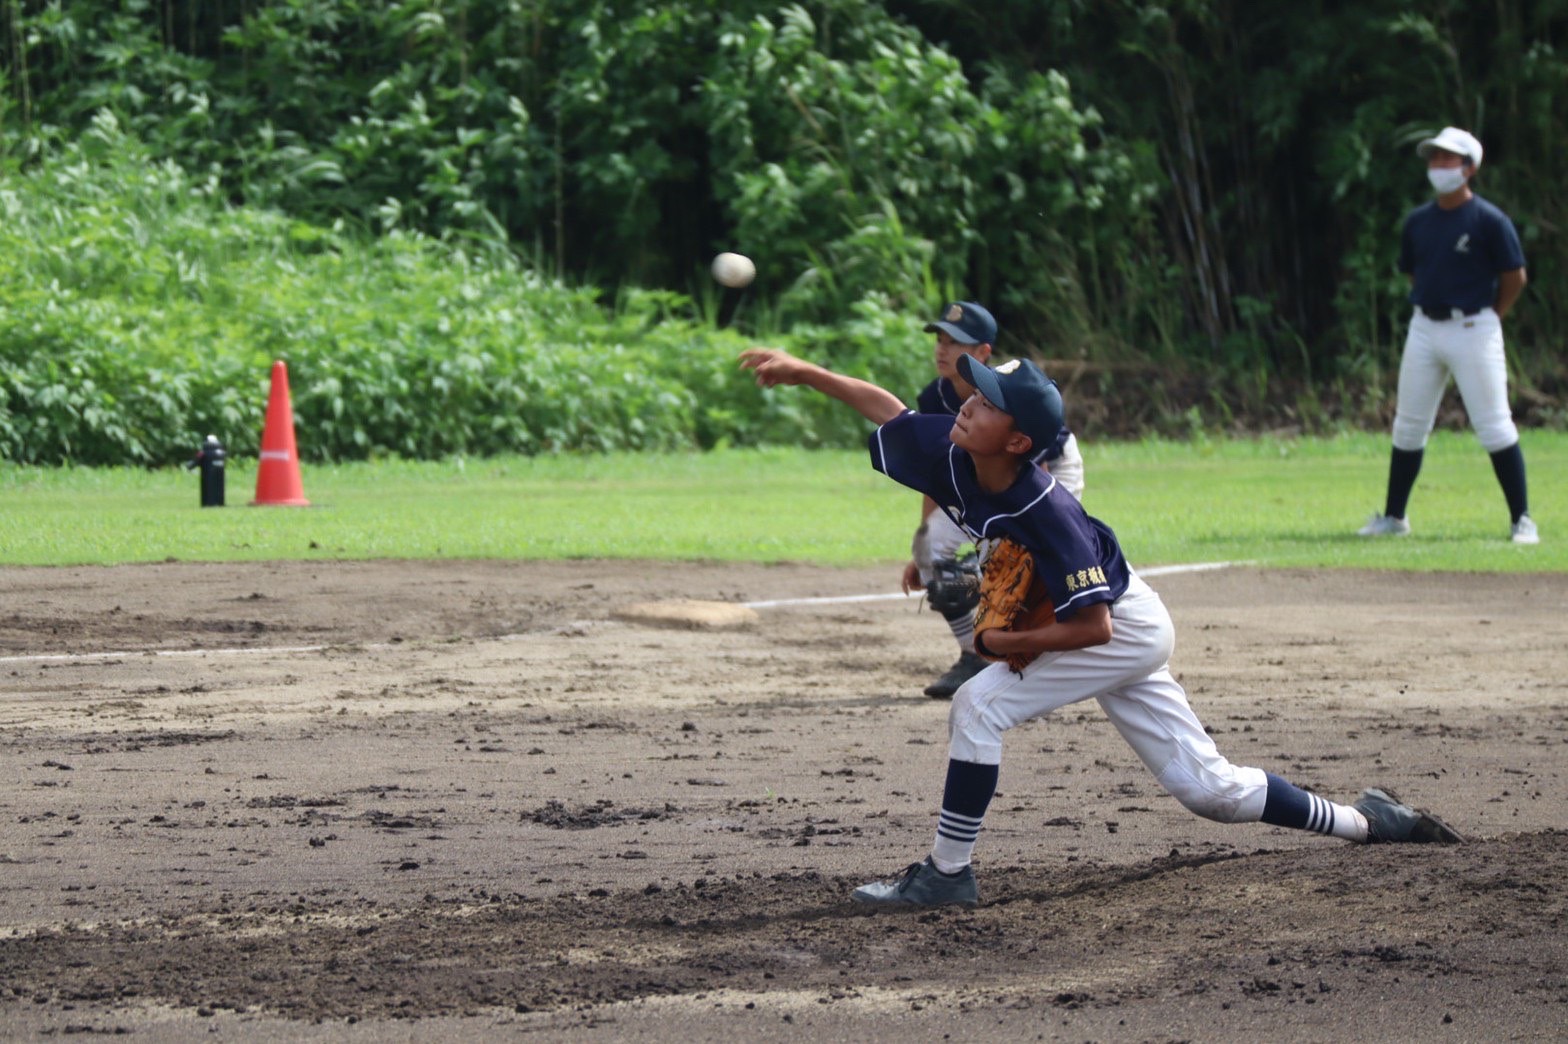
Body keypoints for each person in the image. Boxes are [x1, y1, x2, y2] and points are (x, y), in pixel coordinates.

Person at [738, 345, 1463, 908]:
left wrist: (1004, 645)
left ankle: (946, 876)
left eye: (985, 401)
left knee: (977, 705)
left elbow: (1095, 630)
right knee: (1210, 792)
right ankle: (1371, 823)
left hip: (1120, 625)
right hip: (1109, 624)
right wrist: (805, 373)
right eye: (973, 389)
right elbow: (889, 411)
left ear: (1019, 442)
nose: (966, 401)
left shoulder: (1046, 510)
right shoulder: (953, 452)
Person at [1359, 126, 1537, 544]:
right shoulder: (1418, 220)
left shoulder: (1489, 220)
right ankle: (1394, 517)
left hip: (1474, 326)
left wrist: (1495, 314)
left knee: (1494, 425)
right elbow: (1414, 270)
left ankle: (1522, 520)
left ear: (1470, 167)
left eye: (1448, 159)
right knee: (1408, 426)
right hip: (1424, 327)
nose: (1438, 166)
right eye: (1434, 158)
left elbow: (1515, 276)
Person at [909, 301, 1085, 699]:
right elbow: (935, 475)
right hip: (984, 478)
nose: (942, 349)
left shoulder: (1009, 394)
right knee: (930, 546)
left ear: (984, 352)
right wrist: (925, 550)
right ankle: (974, 655)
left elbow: (1023, 484)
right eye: (940, 339)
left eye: (956, 342)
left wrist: (987, 548)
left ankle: (1060, 647)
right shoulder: (934, 396)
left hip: (1047, 470)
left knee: (1030, 557)